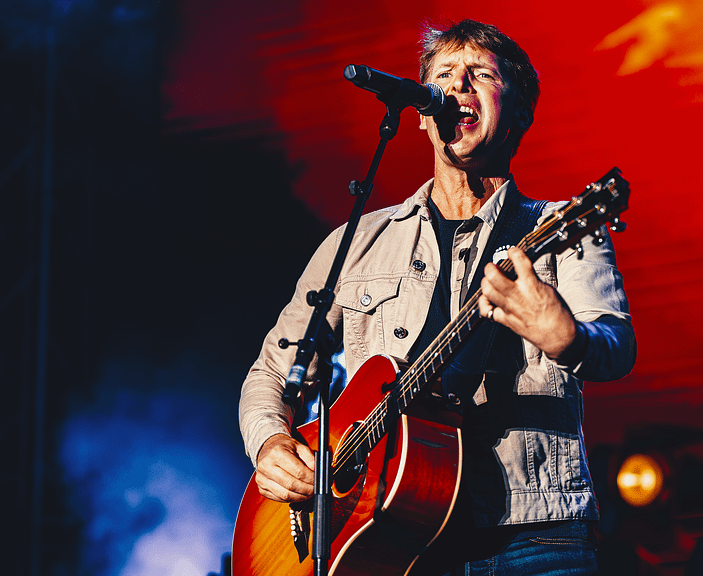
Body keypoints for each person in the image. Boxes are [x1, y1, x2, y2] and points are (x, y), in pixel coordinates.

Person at [239, 18, 635, 575]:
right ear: (423, 114)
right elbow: (271, 372)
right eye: (444, 76)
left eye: (480, 75)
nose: (458, 88)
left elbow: (615, 345)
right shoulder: (356, 244)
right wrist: (271, 446)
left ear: (518, 109)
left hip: (534, 538)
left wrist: (566, 338)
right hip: (392, 539)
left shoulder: (559, 230)